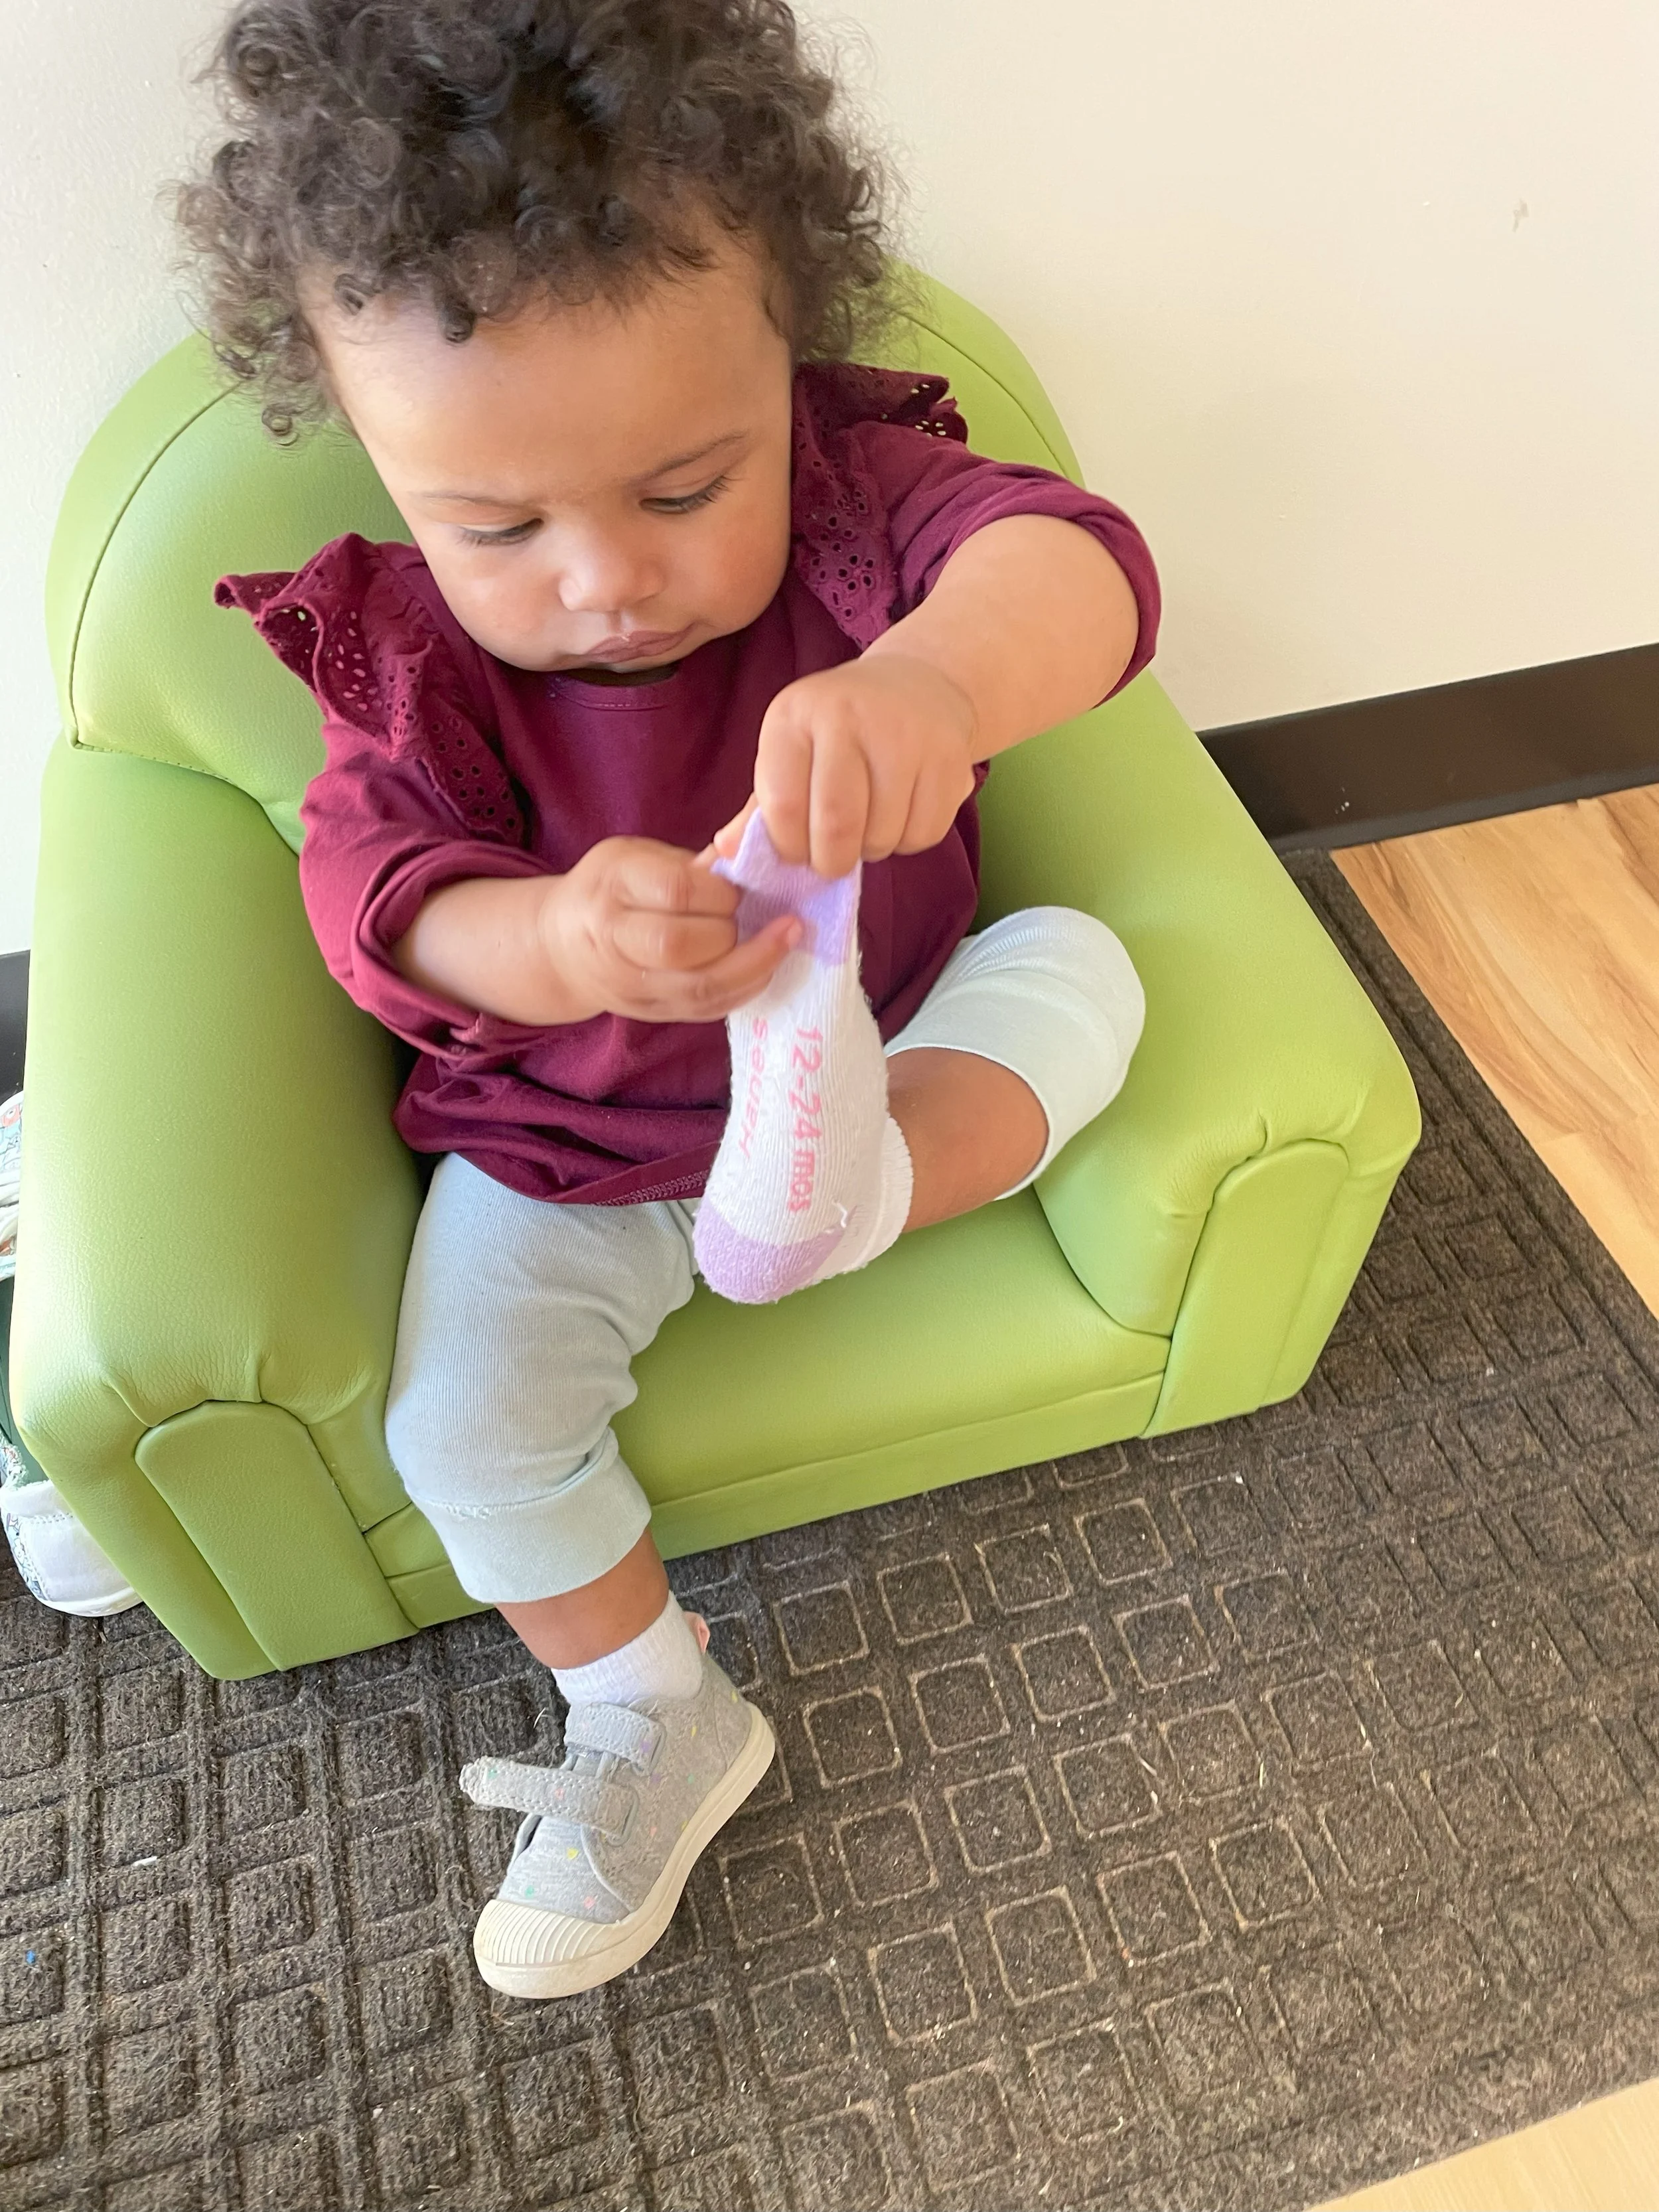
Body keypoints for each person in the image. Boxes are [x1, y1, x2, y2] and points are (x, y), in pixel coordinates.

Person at [184, 0, 1159, 1998]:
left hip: (873, 1036)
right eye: (502, 527)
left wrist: (935, 683)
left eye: (678, 482)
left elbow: (1087, 574)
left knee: (1087, 974)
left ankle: (854, 1192)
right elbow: (374, 905)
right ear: (381, 459)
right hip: (578, 1147)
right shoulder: (419, 669)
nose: (606, 579)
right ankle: (652, 1710)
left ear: (784, 362)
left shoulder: (855, 518)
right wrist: (551, 939)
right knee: (465, 1426)